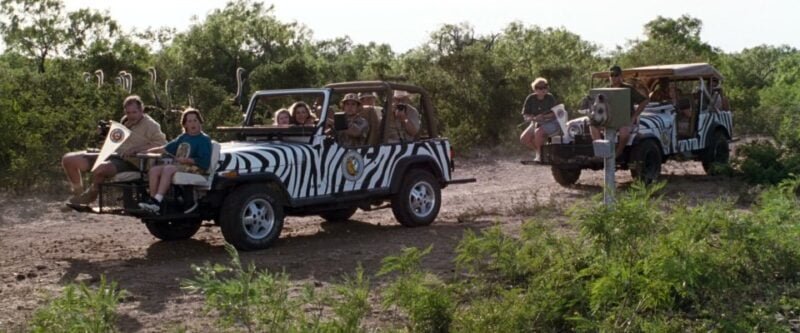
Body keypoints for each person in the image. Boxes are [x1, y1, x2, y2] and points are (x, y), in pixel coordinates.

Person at [62, 95, 167, 205]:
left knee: (100, 168)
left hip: (132, 161)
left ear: (141, 110)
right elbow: (116, 140)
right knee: (69, 159)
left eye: (134, 112)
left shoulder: (151, 125)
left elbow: (162, 144)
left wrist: (137, 149)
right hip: (113, 154)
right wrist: (105, 133)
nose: (131, 116)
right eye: (128, 113)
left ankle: (91, 195)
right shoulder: (125, 121)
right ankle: (78, 194)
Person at [139, 108, 213, 214]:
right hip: (180, 166)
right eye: (189, 121)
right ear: (185, 125)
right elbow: (165, 148)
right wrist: (146, 151)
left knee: (168, 169)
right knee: (154, 170)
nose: (193, 123)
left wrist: (186, 160)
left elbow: (204, 162)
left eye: (195, 120)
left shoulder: (204, 139)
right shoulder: (184, 137)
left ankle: (157, 201)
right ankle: (153, 201)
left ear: (200, 122)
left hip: (197, 168)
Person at [590, 65, 650, 157]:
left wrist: (633, 117)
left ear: (621, 76)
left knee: (624, 132)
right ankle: (601, 150)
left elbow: (644, 101)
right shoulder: (605, 90)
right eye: (611, 75)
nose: (613, 78)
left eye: (616, 75)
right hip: (608, 119)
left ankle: (618, 152)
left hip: (623, 119)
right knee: (592, 125)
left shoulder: (628, 89)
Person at [519, 77, 559, 162]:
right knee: (524, 139)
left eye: (545, 87)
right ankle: (540, 152)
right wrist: (529, 118)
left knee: (538, 133)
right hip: (535, 122)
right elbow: (525, 114)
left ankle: (540, 155)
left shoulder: (550, 98)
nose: (543, 89)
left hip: (550, 122)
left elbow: (555, 113)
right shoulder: (530, 98)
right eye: (540, 88)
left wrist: (544, 117)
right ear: (535, 89)